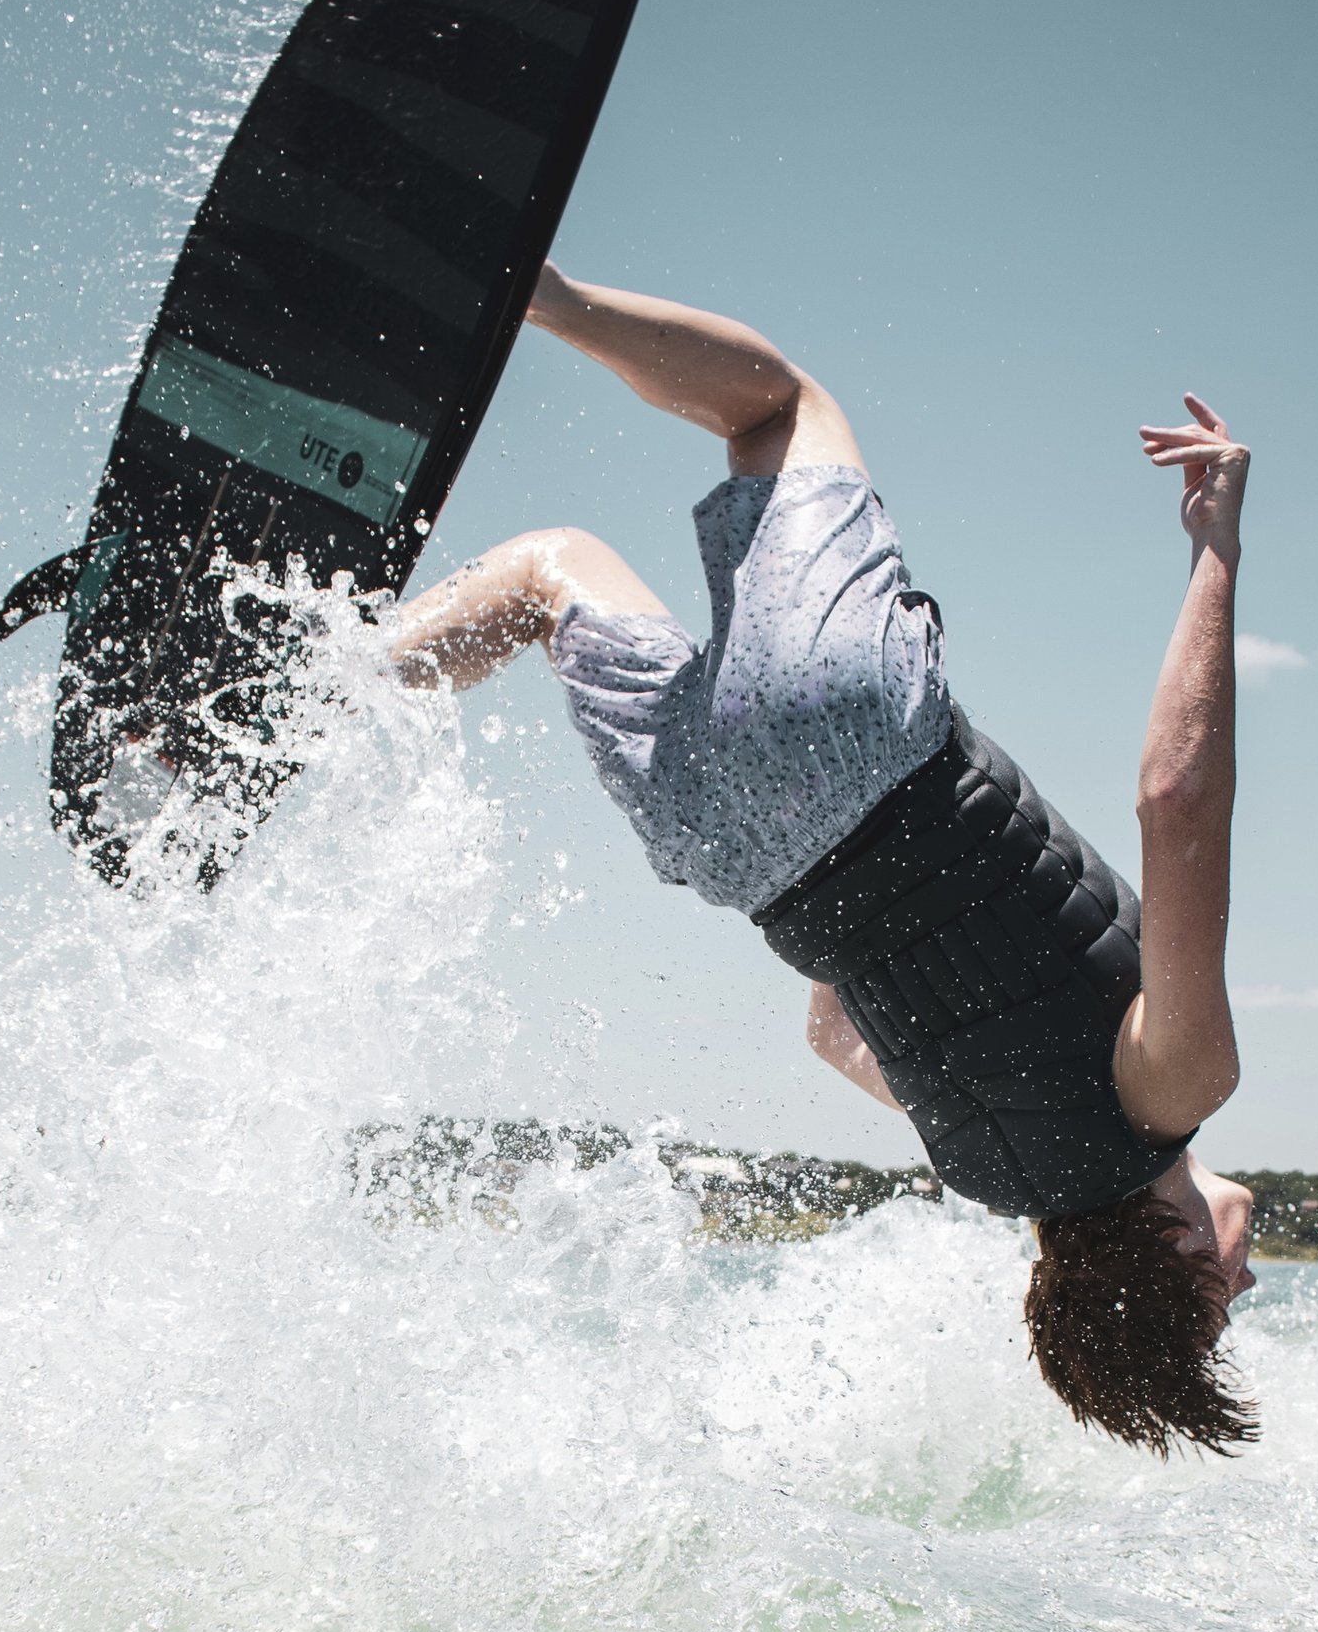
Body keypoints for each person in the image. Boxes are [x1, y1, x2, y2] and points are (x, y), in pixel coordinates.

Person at [382, 266, 1257, 1453]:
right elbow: (838, 1033)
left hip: (861, 743)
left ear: (1184, 1265)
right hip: (732, 849)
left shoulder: (1180, 1088)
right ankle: (301, 708)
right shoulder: (979, 1169)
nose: (1244, 1292)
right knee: (547, 575)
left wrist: (1214, 553)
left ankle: (526, 289)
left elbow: (1177, 801)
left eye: (1217, 1313)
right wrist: (855, 885)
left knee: (778, 412)